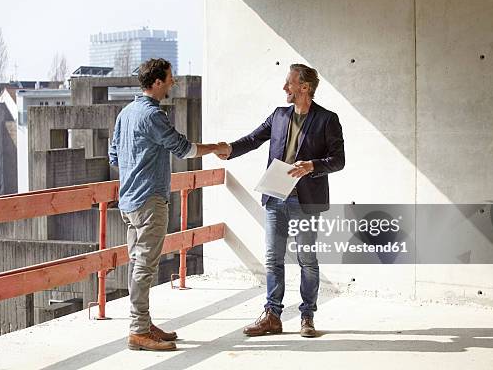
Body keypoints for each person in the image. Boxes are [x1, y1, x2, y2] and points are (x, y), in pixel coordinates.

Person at [215, 63, 345, 337]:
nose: (285, 88)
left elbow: (338, 160)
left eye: (289, 83)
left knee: (306, 259)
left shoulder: (327, 119)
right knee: (273, 258)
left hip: (306, 201)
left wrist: (312, 165)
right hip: (275, 197)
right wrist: (229, 149)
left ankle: (307, 316)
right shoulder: (279, 115)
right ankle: (272, 316)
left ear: (304, 87)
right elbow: (253, 139)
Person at [109, 58, 224, 351]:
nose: (173, 82)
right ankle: (138, 331)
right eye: (170, 78)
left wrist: (136, 165)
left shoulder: (126, 113)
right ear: (157, 82)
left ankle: (143, 323)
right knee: (145, 266)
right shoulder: (152, 116)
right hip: (149, 201)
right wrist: (216, 148)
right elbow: (183, 148)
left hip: (128, 201)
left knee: (138, 263)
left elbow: (113, 156)